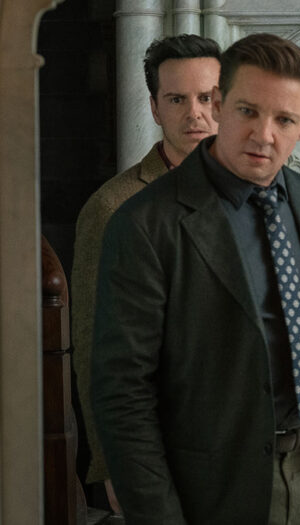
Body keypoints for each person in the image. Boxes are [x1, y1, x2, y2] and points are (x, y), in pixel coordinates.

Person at [91, 33, 300, 525]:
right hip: (213, 486)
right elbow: (123, 393)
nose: (263, 135)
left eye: (284, 119)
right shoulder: (144, 223)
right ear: (219, 105)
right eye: (248, 111)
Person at [70, 33, 220, 512]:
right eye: (177, 99)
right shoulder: (112, 207)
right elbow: (93, 346)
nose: (195, 113)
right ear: (155, 108)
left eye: (207, 98)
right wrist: (110, 462)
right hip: (159, 447)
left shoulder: (258, 196)